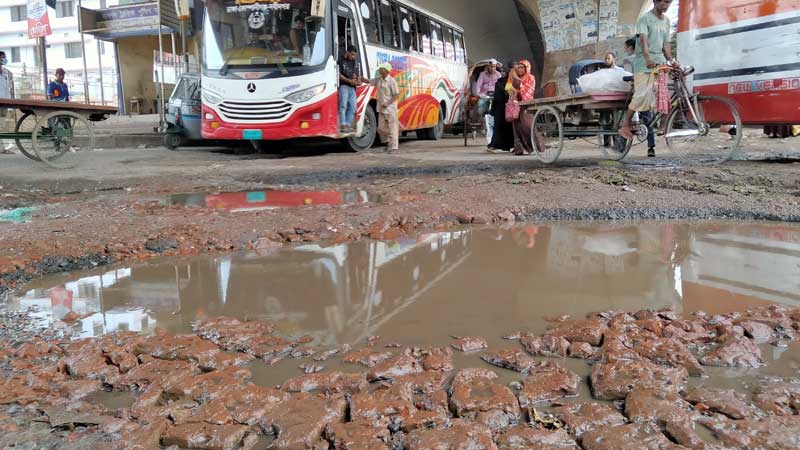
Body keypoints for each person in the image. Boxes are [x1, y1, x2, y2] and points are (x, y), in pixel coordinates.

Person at [619, 0, 676, 154]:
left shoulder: (667, 21)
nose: (666, 6)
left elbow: (666, 45)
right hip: (644, 64)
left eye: (669, 3)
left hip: (660, 64)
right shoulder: (644, 19)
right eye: (664, 2)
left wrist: (672, 61)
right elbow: (643, 42)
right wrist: (647, 58)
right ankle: (626, 124)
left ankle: (663, 126)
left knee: (664, 96)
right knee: (641, 95)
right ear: (655, 1)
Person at [363, 63, 400, 152]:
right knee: (380, 128)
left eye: (381, 68)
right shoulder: (378, 79)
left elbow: (396, 95)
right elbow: (369, 81)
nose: (380, 69)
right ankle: (389, 140)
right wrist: (362, 79)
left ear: (386, 71)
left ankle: (394, 147)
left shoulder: (392, 81)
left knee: (393, 127)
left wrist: (387, 103)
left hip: (390, 109)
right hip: (381, 108)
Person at [506, 60, 535, 156]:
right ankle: (520, 149)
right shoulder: (514, 77)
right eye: (518, 67)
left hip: (526, 106)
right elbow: (508, 88)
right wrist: (513, 91)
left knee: (527, 126)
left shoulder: (531, 78)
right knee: (516, 127)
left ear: (527, 68)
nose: (520, 69)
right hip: (516, 105)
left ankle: (533, 147)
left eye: (522, 67)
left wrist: (516, 86)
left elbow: (527, 90)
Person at [487, 61, 514, 153]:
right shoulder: (498, 82)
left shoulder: (510, 82)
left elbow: (509, 93)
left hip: (507, 108)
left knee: (508, 127)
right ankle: (495, 144)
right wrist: (493, 109)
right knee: (498, 126)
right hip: (499, 109)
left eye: (503, 71)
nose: (502, 73)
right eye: (501, 71)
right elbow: (496, 97)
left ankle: (509, 145)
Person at [476, 59, 502, 147]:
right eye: (491, 66)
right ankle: (482, 121)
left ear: (496, 67)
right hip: (484, 94)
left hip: (495, 94)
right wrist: (479, 94)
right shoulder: (482, 74)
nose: (492, 68)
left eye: (494, 67)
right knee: (481, 104)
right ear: (488, 66)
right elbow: (478, 85)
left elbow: (501, 86)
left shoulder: (498, 75)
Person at [338, 46, 361, 133]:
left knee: (353, 107)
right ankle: (343, 125)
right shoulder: (340, 60)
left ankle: (347, 124)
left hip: (352, 86)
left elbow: (356, 73)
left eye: (354, 55)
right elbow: (338, 74)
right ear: (347, 52)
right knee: (343, 105)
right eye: (352, 54)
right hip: (343, 85)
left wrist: (358, 80)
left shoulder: (353, 61)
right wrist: (349, 80)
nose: (353, 57)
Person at [0, 51, 15, 153]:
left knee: (2, 125)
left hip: (4, 102)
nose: (4, 59)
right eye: (2, 58)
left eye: (4, 57)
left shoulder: (5, 72)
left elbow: (9, 87)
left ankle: (2, 148)